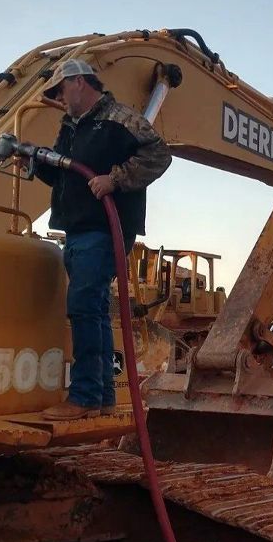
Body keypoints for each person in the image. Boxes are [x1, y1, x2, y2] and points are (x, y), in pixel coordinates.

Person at [34, 59, 172, 420]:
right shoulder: (71, 128)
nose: (59, 99)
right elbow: (68, 176)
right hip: (77, 227)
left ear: (79, 82)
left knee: (83, 304)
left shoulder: (119, 119)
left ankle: (83, 397)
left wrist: (116, 179)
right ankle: (103, 396)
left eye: (61, 90)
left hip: (105, 228)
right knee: (92, 310)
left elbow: (159, 155)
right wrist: (33, 162)